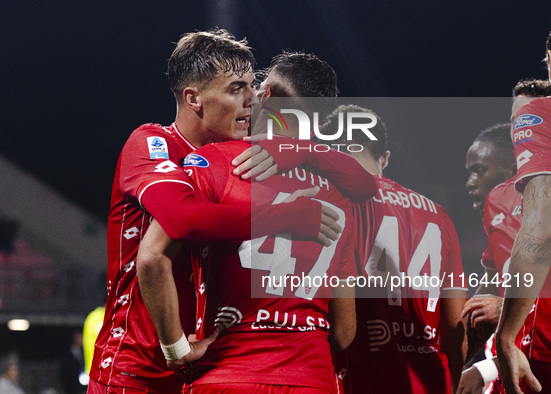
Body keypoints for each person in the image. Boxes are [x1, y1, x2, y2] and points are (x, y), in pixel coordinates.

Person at [89, 30, 336, 394]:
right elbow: (183, 219)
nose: (252, 100)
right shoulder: (152, 144)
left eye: (253, 87)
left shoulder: (234, 163)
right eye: (237, 89)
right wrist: (290, 216)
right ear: (194, 99)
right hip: (137, 368)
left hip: (202, 366)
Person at [137, 52, 377, 393]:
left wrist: (176, 348)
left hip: (229, 376)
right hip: (313, 380)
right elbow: (342, 333)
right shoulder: (340, 193)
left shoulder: (214, 162)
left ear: (265, 94)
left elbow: (150, 258)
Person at [328, 104, 467, 394]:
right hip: (431, 380)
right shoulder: (439, 214)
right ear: (385, 157)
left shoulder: (334, 204)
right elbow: (455, 327)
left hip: (360, 378)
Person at [458, 80, 551, 394]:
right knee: (466, 382)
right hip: (516, 346)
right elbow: (492, 277)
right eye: (516, 121)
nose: (521, 129)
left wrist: (507, 307)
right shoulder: (497, 197)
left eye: (530, 117)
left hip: (533, 345)